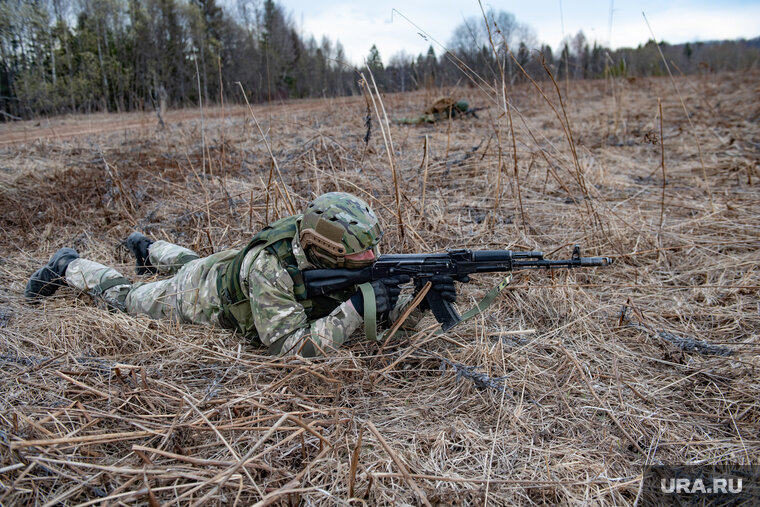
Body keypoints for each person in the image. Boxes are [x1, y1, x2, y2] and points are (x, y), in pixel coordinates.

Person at [25, 192, 459, 357]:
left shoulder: (319, 238)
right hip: (206, 296)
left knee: (193, 258)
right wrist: (354, 311)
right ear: (325, 251)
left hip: (229, 264)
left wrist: (421, 299)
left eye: (373, 251)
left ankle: (146, 246)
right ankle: (69, 265)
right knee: (130, 298)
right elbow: (289, 348)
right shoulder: (274, 271)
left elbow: (389, 321)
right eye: (359, 254)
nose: (372, 258)